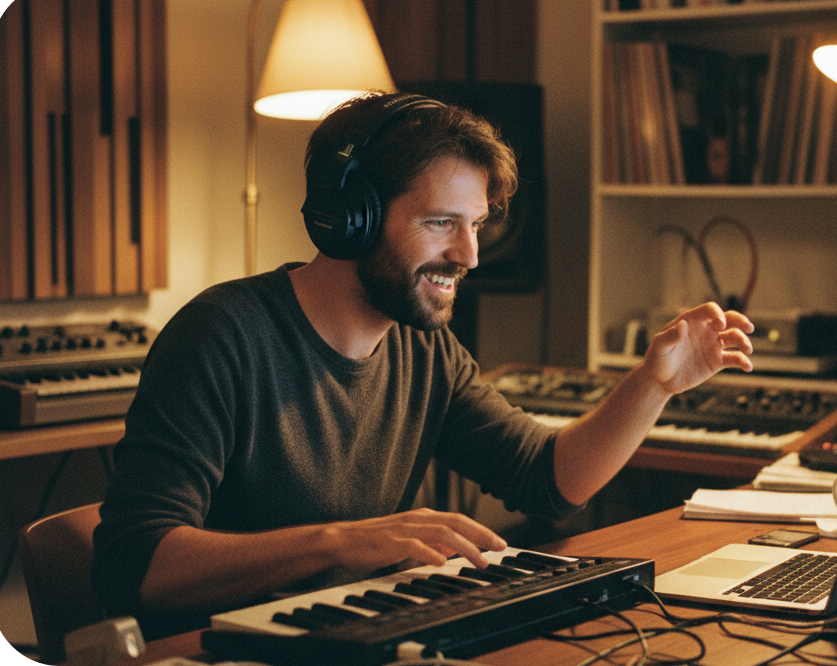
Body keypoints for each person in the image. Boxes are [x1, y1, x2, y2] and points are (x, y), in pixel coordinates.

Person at [91, 92, 754, 639]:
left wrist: (653, 384)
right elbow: (134, 562)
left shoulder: (423, 348)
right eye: (442, 223)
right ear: (349, 220)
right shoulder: (222, 336)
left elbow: (547, 480)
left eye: (476, 225)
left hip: (345, 641)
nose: (468, 255)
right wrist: (337, 541)